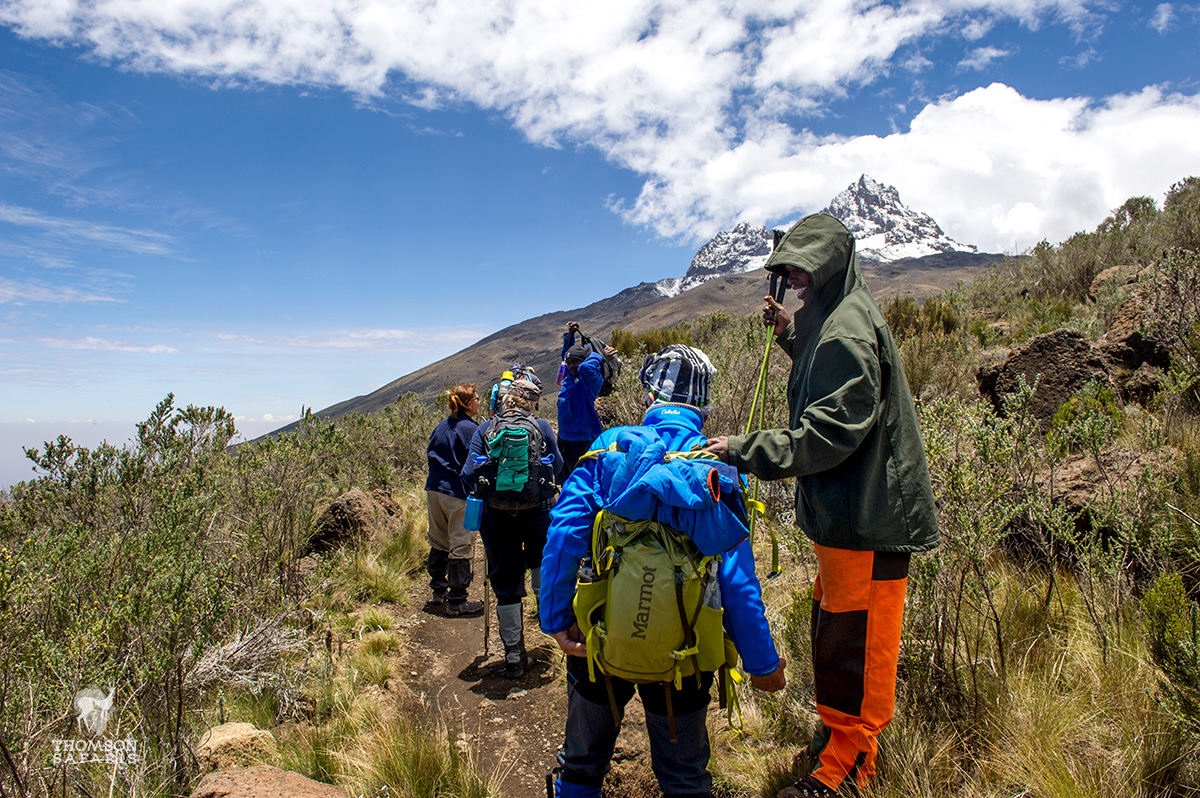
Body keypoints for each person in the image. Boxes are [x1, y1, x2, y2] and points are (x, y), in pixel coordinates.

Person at [703, 213, 939, 798]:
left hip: (866, 521)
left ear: (829, 268)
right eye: (789, 275)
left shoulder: (846, 330)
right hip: (846, 519)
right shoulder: (839, 316)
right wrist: (789, 332)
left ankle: (850, 769)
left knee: (857, 643)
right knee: (838, 635)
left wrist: (743, 450)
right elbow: (824, 374)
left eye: (803, 274)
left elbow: (828, 434)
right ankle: (837, 739)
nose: (795, 284)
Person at [541, 345, 787, 798]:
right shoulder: (717, 467)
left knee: (581, 766)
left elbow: (563, 535)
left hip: (600, 640)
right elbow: (737, 581)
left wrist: (556, 618)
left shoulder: (610, 447)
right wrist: (763, 663)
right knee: (684, 777)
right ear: (704, 403)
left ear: (650, 395)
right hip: (685, 654)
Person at [462, 378, 564, 678]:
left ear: (501, 403)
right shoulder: (542, 426)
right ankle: (551, 628)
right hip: (537, 514)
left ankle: (514, 656)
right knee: (541, 566)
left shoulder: (485, 429)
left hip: (496, 518)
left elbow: (468, 473)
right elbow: (557, 467)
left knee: (505, 586)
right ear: (527, 402)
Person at [424, 383, 483, 617]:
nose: (480, 401)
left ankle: (438, 590)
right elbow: (478, 461)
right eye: (477, 398)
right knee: (461, 543)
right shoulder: (471, 430)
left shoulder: (441, 426)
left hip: (434, 489)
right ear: (469, 404)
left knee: (438, 540)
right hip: (457, 493)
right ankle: (457, 601)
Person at [556, 321, 618, 472]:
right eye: (569, 363)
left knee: (584, 479)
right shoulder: (568, 378)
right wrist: (570, 335)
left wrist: (600, 355)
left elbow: (587, 366)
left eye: (575, 362)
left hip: (582, 440)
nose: (571, 366)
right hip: (564, 438)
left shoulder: (590, 382)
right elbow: (566, 355)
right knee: (567, 479)